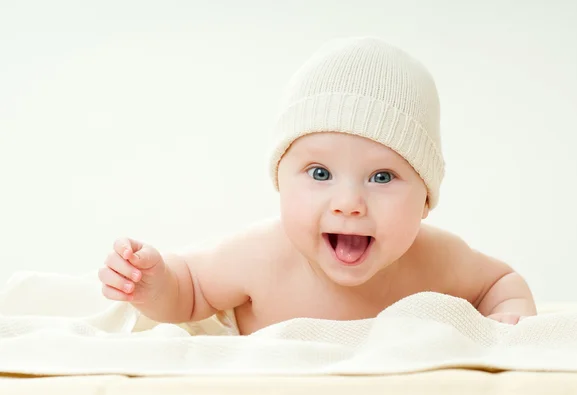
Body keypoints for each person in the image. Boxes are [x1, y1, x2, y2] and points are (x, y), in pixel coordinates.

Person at [97, 37, 536, 335]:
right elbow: (189, 289)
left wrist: (507, 319)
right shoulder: (261, 257)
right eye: (320, 173)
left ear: (425, 200)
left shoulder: (437, 261)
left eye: (382, 177)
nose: (348, 203)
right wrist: (154, 286)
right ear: (280, 181)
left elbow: (501, 282)